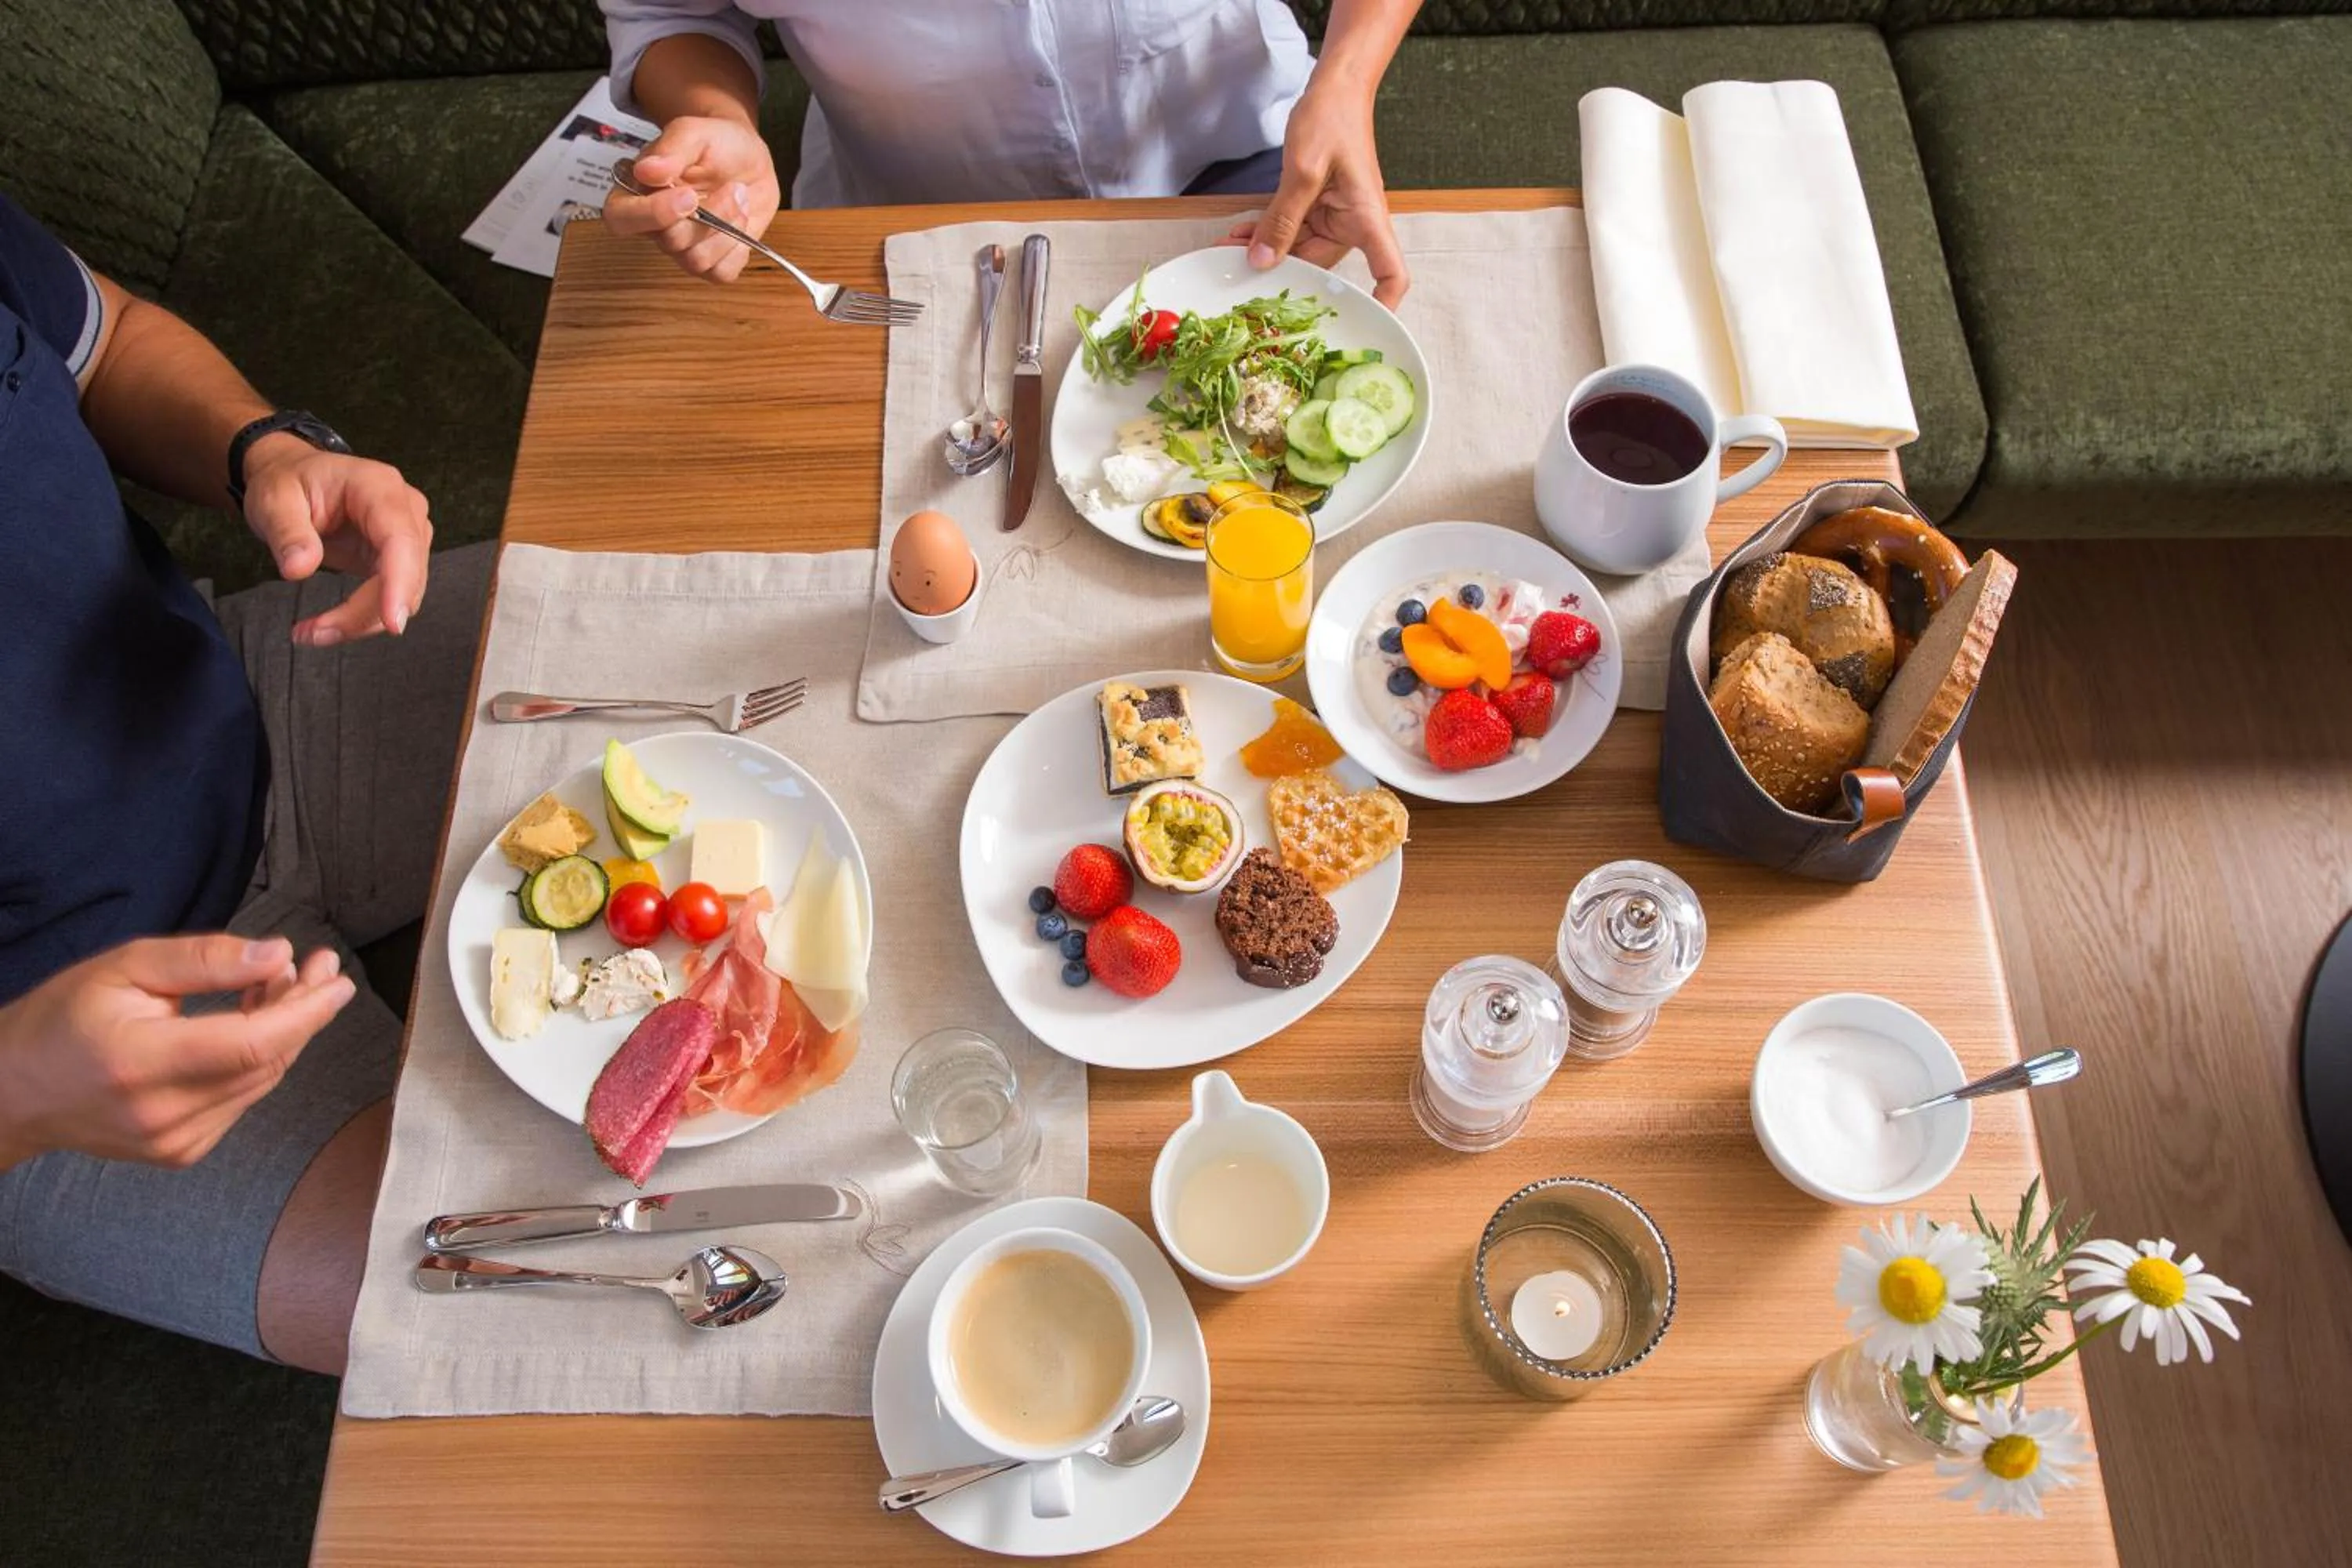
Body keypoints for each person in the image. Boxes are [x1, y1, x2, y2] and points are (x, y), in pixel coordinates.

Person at [0, 191, 488, 1374]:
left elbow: (99, 334)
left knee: (747, 645)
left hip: (257, 688)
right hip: (68, 1028)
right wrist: (18, 1089)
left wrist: (264, 450)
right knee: (532, 1308)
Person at [599, 0, 1421, 307]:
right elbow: (671, 12)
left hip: (1243, 153)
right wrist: (715, 113)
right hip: (913, 210)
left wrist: (1346, 80)